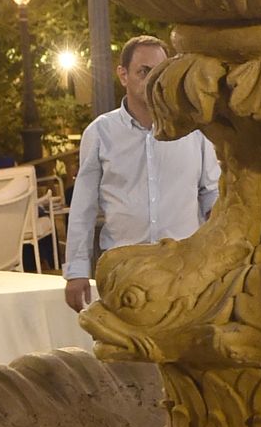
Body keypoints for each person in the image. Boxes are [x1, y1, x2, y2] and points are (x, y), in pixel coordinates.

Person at [64, 34, 221, 313]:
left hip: (184, 267)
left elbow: (212, 195)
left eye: (160, 72)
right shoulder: (100, 133)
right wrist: (76, 271)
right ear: (123, 75)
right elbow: (83, 208)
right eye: (143, 71)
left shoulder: (194, 130)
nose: (153, 80)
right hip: (122, 269)